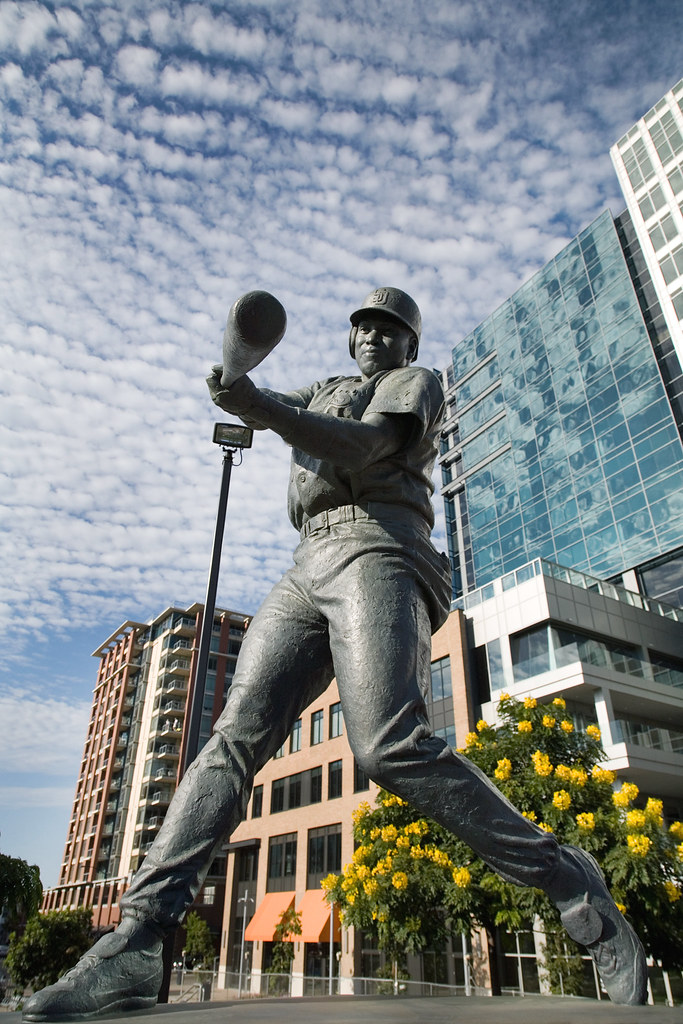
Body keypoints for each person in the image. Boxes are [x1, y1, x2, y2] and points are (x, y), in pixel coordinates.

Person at [23, 288, 646, 1020]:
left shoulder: (414, 385)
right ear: (350, 339)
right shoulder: (325, 390)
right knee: (231, 739)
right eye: (364, 328)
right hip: (306, 560)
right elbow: (268, 401)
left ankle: (568, 878)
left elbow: (362, 444)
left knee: (388, 746)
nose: (374, 338)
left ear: (409, 344)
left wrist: (261, 409)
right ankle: (136, 939)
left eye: (390, 329)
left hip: (380, 546)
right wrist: (236, 387)